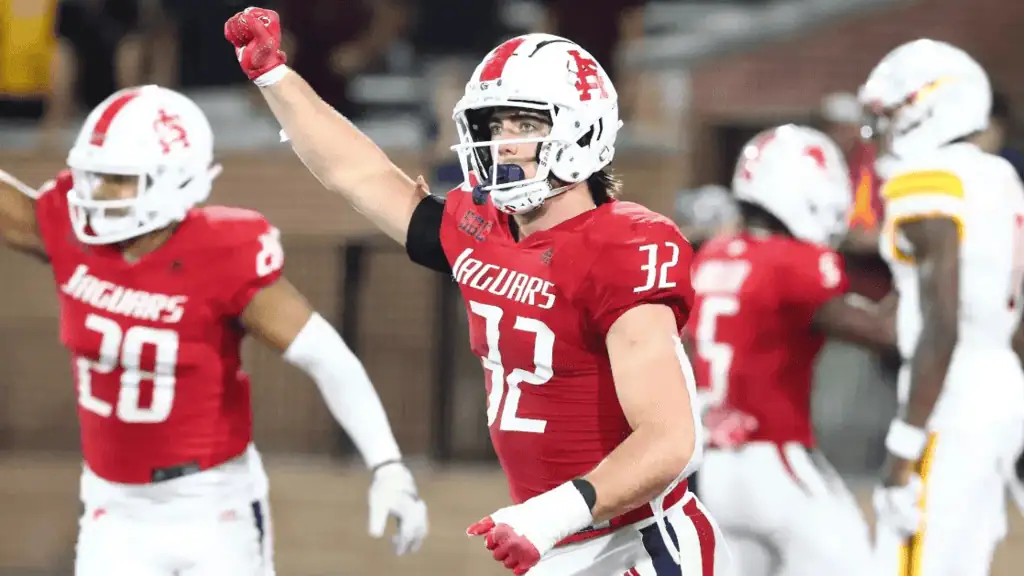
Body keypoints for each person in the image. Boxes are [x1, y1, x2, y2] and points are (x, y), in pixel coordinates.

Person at [224, 8, 729, 575]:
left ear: (582, 131)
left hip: (637, 544)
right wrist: (275, 77)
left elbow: (669, 439)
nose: (503, 144)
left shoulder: (621, 247)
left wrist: (551, 515)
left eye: (525, 124)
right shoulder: (480, 228)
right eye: (495, 125)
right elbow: (358, 174)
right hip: (557, 542)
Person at [0, 84, 427, 575]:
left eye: (118, 180)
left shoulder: (220, 252)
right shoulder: (69, 231)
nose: (96, 194)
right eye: (94, 177)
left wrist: (387, 465)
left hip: (209, 505)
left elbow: (327, 358)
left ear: (173, 179)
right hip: (112, 506)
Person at [684, 124, 896, 576]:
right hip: (773, 460)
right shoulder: (794, 262)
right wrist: (917, 262)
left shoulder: (714, 254)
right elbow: (886, 333)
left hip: (708, 467)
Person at [860, 39, 1024, 576]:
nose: (885, 129)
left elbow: (942, 321)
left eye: (893, 113)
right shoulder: (999, 176)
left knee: (915, 565)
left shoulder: (927, 180)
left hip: (951, 393)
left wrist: (903, 445)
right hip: (1002, 380)